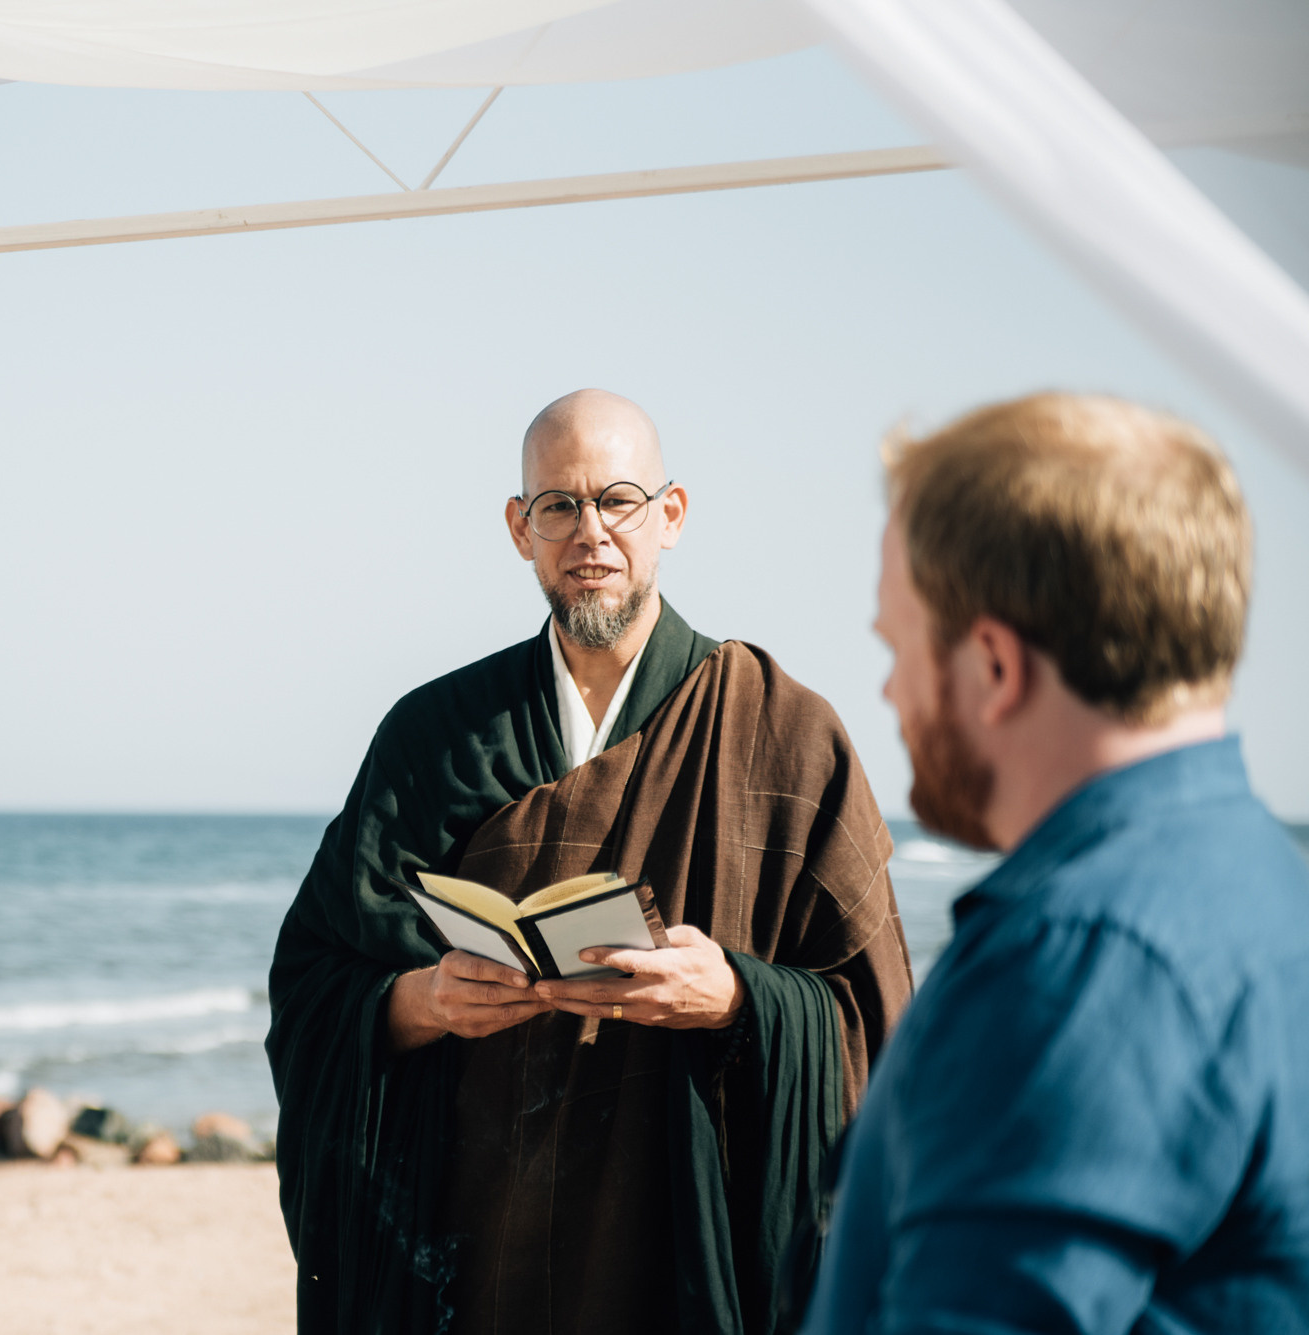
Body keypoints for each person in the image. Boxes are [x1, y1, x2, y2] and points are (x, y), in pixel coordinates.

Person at [267, 389, 913, 1335]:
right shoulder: (434, 736)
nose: (591, 534)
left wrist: (735, 997)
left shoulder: (782, 733)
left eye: (618, 500)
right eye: (559, 506)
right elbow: (314, 985)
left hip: (682, 1260)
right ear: (519, 529)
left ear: (671, 515)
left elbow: (874, 1018)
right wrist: (423, 1002)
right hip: (477, 1260)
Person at [804, 393, 1309, 1333]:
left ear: (995, 667)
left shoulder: (1081, 961)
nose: (889, 688)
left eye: (897, 646)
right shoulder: (1264, 883)